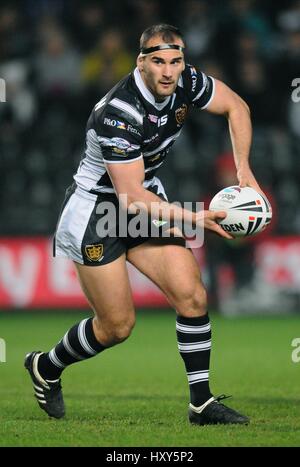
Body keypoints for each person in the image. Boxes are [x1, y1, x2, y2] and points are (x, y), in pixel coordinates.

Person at [24, 24, 261, 425]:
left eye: (176, 61)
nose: (169, 71)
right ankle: (46, 366)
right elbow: (129, 197)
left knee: (192, 296)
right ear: (141, 62)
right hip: (99, 212)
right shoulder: (118, 112)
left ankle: (200, 404)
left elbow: (237, 107)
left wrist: (244, 173)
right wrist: (194, 218)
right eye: (158, 62)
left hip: (142, 201)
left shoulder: (187, 81)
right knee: (116, 326)